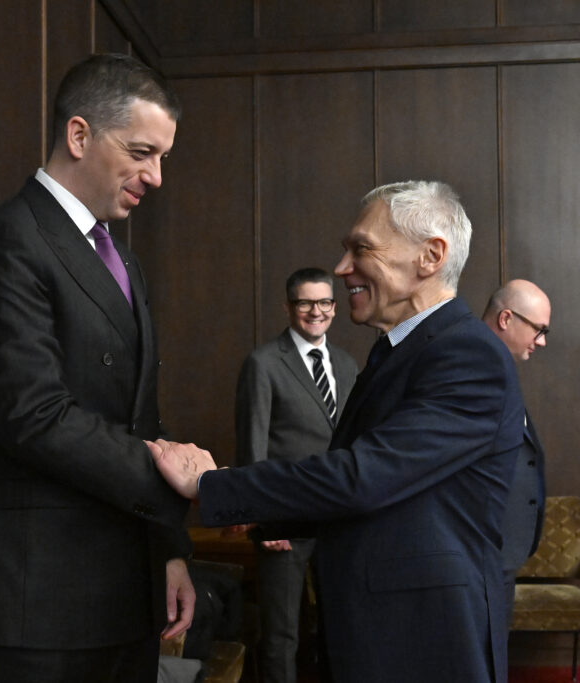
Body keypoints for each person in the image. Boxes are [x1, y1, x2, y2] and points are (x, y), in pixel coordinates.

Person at [148, 180, 525, 683]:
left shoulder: (467, 354)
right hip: (382, 628)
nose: (343, 267)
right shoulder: (401, 351)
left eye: (361, 249)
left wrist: (211, 485)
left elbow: (362, 477)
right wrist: (255, 512)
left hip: (424, 639)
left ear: (430, 256)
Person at [0, 54, 195, 683]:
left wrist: (168, 551)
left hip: (126, 594)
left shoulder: (122, 261)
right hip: (36, 600)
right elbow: (34, 416)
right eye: (142, 152)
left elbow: (138, 417)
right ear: (79, 135)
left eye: (163, 157)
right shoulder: (4, 241)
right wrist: (180, 478)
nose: (156, 177)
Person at [235, 267, 358, 683]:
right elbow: (252, 445)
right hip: (283, 521)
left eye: (324, 302)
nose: (315, 311)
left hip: (337, 520)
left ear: (334, 307)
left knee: (339, 629)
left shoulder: (346, 364)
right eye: (305, 302)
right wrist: (264, 516)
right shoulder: (264, 363)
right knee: (281, 633)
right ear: (288, 307)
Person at [482, 279, 551, 623]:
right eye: (539, 330)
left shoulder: (500, 369)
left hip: (500, 553)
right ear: (506, 318)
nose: (541, 341)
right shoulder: (472, 369)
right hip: (481, 552)